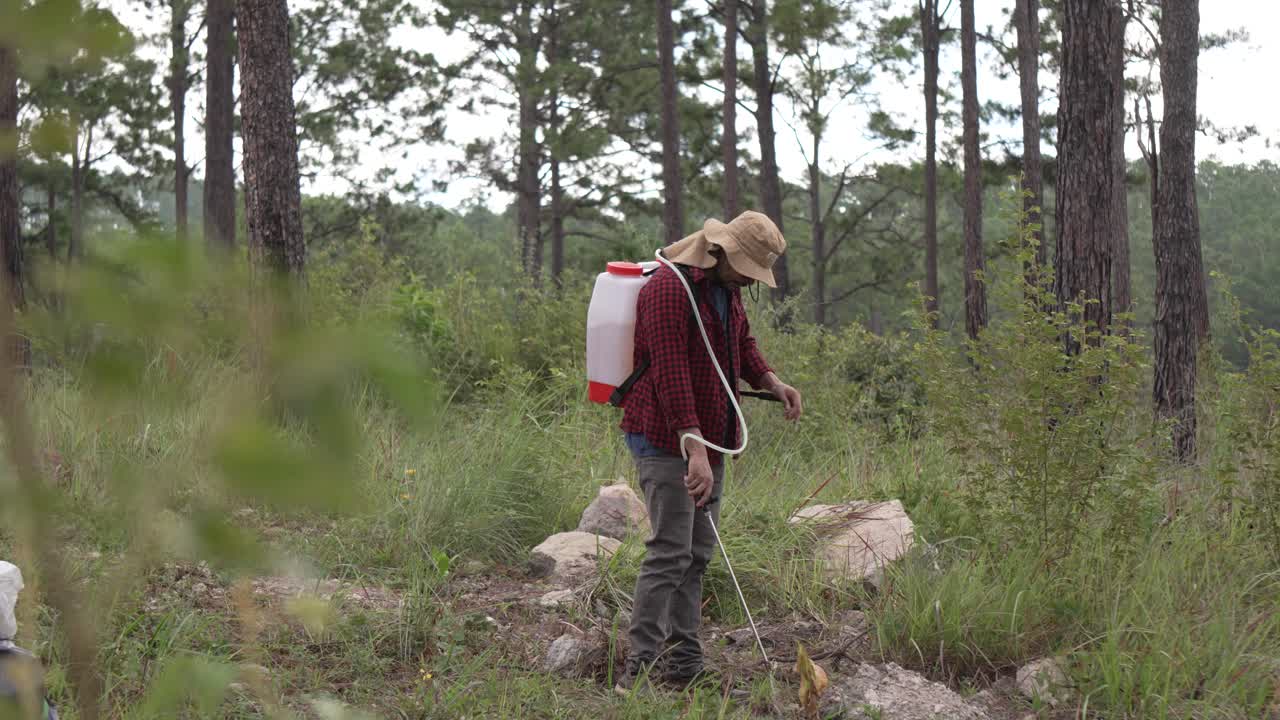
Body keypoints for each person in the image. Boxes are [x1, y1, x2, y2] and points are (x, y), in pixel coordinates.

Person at [615, 210, 802, 694]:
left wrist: (770, 380)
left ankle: (685, 663)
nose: (747, 280)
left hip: (707, 439)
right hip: (664, 436)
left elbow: (739, 342)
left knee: (696, 553)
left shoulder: (726, 288)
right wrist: (692, 447)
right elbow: (670, 371)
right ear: (721, 252)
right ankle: (639, 669)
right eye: (746, 269)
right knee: (669, 551)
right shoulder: (668, 290)